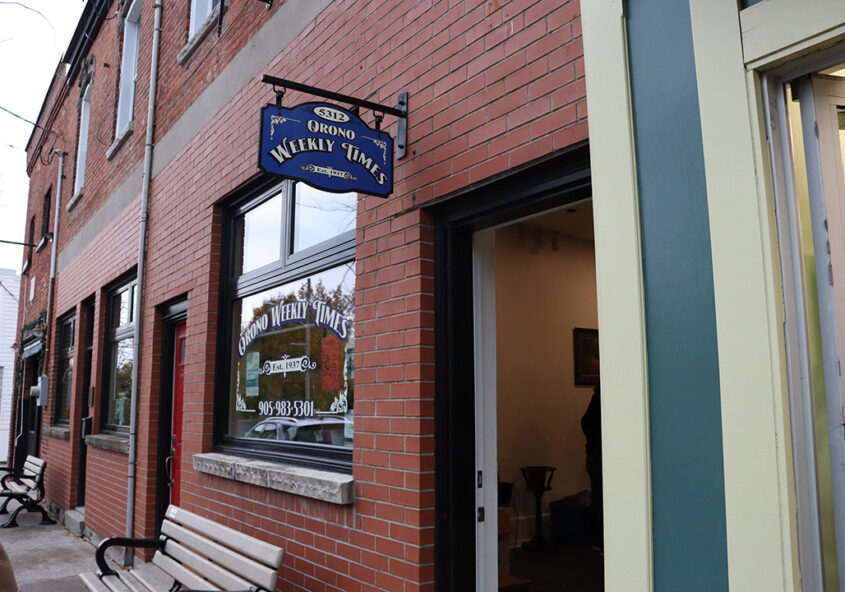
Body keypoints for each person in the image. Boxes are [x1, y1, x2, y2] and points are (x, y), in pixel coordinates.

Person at [581, 382, 602, 550]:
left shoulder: (598, 397)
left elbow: (586, 423)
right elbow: (587, 423)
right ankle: (600, 539)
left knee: (599, 497)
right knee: (601, 497)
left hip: (595, 453)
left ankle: (599, 539)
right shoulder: (601, 397)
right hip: (598, 455)